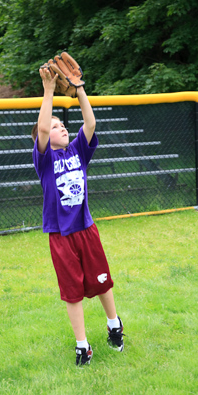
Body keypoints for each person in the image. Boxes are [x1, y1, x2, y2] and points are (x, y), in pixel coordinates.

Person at [31, 65, 124, 366]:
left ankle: (114, 325)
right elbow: (43, 129)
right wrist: (48, 92)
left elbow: (90, 123)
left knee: (102, 282)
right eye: (57, 126)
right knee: (72, 292)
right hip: (61, 235)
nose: (61, 128)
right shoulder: (45, 159)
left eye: (61, 125)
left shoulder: (77, 152)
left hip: (85, 228)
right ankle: (82, 346)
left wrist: (80, 89)